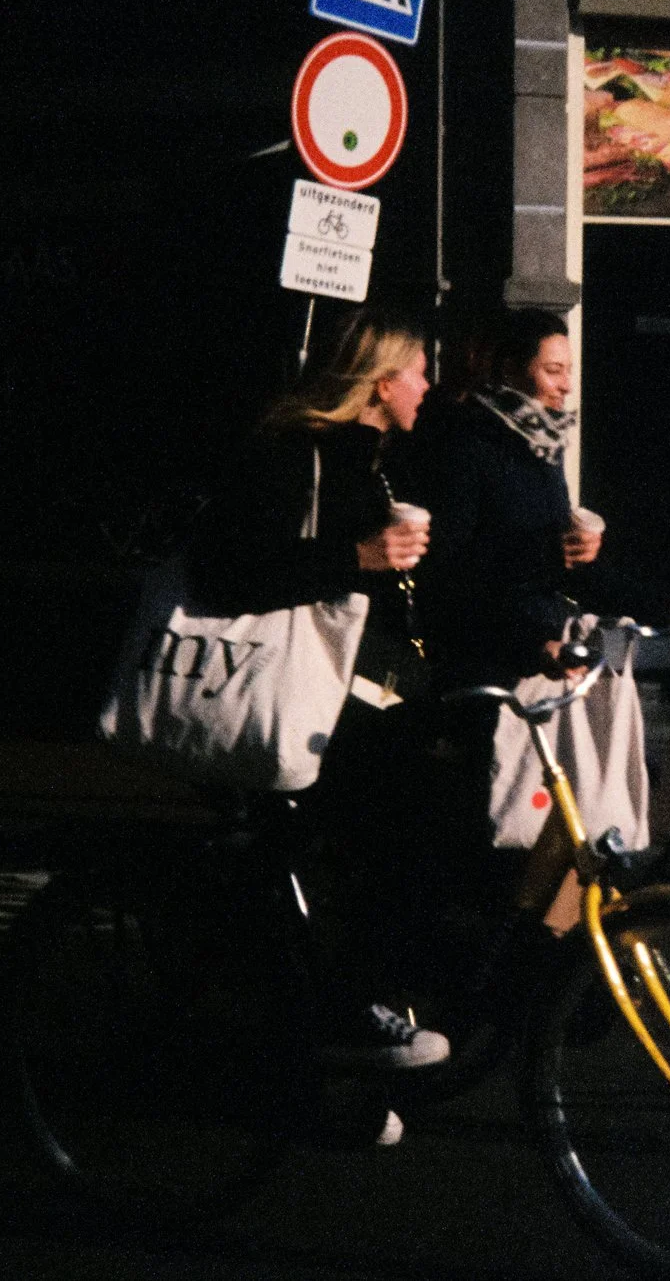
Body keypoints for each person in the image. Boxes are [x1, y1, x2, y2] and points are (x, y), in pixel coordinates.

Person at [181, 307, 447, 1072]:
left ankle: (340, 1025)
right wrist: (358, 555)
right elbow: (229, 572)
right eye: (418, 370)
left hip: (353, 691)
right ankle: (344, 1012)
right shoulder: (294, 455)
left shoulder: (372, 462)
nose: (428, 384)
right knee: (405, 821)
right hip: (286, 698)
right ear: (381, 380)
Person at [406, 309, 608, 690]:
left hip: (538, 649)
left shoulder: (544, 444)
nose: (566, 385)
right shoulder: (467, 443)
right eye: (553, 370)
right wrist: (549, 556)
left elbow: (554, 556)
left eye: (568, 370)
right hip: (484, 659)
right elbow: (449, 567)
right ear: (511, 369)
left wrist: (657, 602)